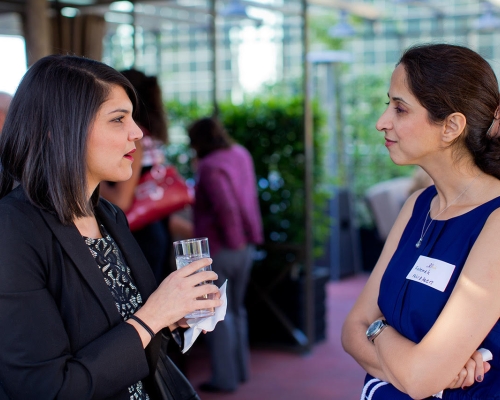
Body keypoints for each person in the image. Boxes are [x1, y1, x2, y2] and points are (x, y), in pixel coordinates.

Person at [0, 54, 221, 399]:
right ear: (58, 130)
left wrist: (173, 315)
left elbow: (123, 334)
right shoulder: (13, 230)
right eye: (118, 119)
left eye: (132, 117)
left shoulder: (110, 217)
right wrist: (154, 313)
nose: (136, 133)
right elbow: (48, 389)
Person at [342, 43, 500, 399]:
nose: (383, 122)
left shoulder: (496, 221)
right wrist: (416, 364)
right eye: (389, 105)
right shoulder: (417, 204)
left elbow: (418, 378)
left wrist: (378, 330)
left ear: (451, 126)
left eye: (400, 108)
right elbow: (351, 330)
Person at [188, 117, 263, 393]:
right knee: (237, 310)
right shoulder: (240, 153)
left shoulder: (209, 166)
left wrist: (233, 242)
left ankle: (225, 379)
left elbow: (226, 208)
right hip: (247, 244)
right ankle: (240, 372)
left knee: (218, 314)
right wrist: (244, 242)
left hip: (223, 247)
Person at [100, 69, 192, 285]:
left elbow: (122, 200)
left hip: (140, 238)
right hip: (154, 234)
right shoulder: (148, 136)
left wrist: (90, 176)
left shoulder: (134, 139)